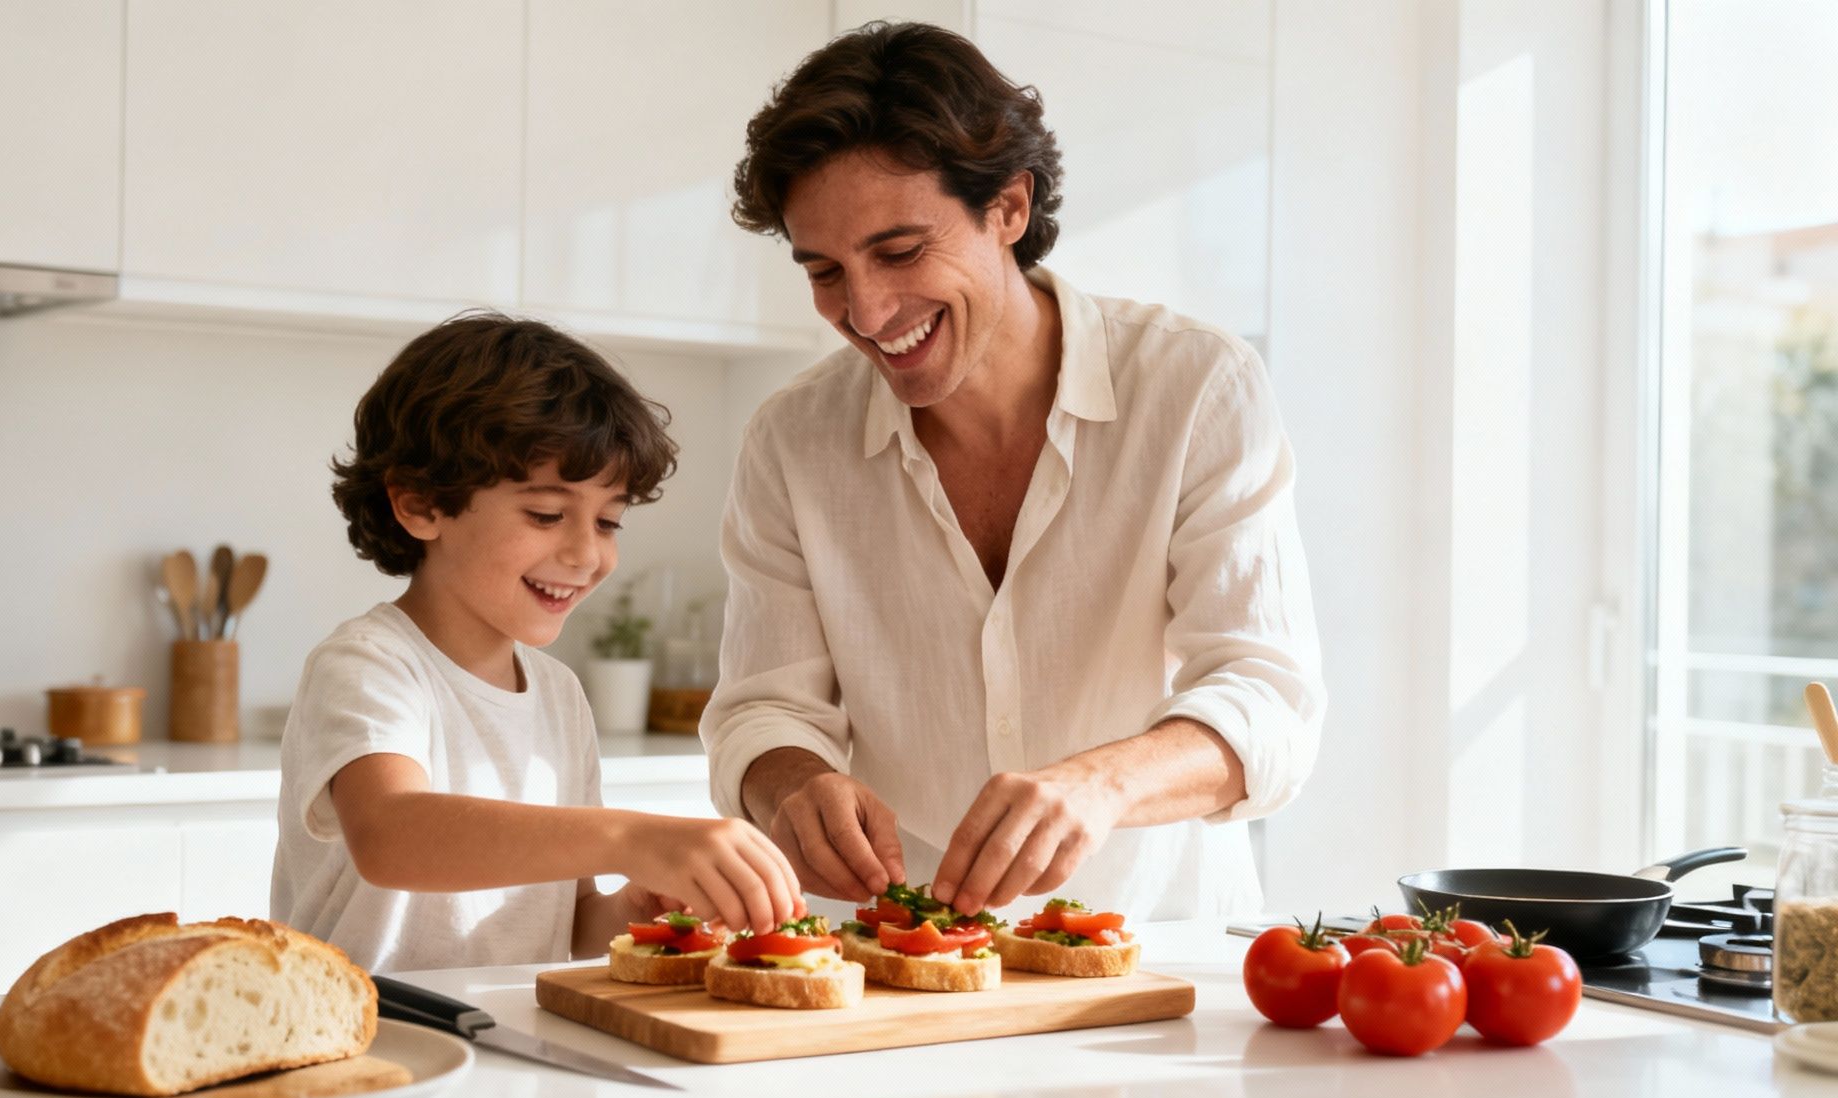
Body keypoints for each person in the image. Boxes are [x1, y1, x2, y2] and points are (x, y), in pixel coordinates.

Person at [702, 23, 1326, 923]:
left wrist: (1101, 784)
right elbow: (761, 710)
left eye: (901, 251)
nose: (867, 312)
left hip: (1152, 955)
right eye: (825, 270)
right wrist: (789, 781)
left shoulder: (1196, 389)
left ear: (1009, 208)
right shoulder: (791, 441)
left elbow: (1269, 701)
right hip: (894, 961)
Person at [271, 313, 800, 974]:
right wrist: (633, 838)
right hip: (373, 1046)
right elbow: (391, 835)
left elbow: (567, 923)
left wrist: (635, 906)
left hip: (510, 1035)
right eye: (547, 514)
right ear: (420, 504)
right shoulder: (371, 665)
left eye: (608, 520)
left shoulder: (560, 695)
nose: (587, 552)